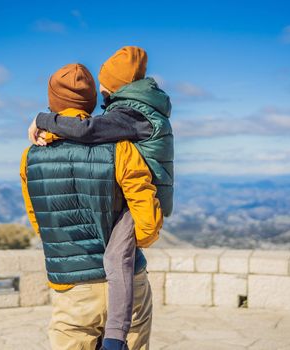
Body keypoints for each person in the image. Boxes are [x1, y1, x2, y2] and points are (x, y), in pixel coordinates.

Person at [27, 46, 174, 349]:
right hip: (129, 281)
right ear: (92, 100)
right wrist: (141, 236)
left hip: (72, 287)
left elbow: (39, 222)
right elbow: (146, 225)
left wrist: (44, 121)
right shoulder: (122, 148)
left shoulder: (30, 157)